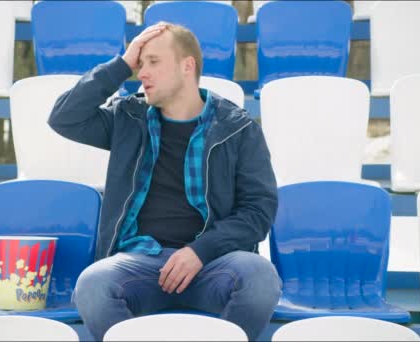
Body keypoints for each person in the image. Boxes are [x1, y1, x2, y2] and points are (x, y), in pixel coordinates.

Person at [48, 22, 281, 341]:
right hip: (138, 263)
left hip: (213, 264)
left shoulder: (238, 128)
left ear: (188, 66)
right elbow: (64, 117)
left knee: (260, 278)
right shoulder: (127, 118)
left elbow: (259, 210)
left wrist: (200, 251)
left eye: (153, 62)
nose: (142, 73)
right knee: (92, 285)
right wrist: (122, 64)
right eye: (139, 64)